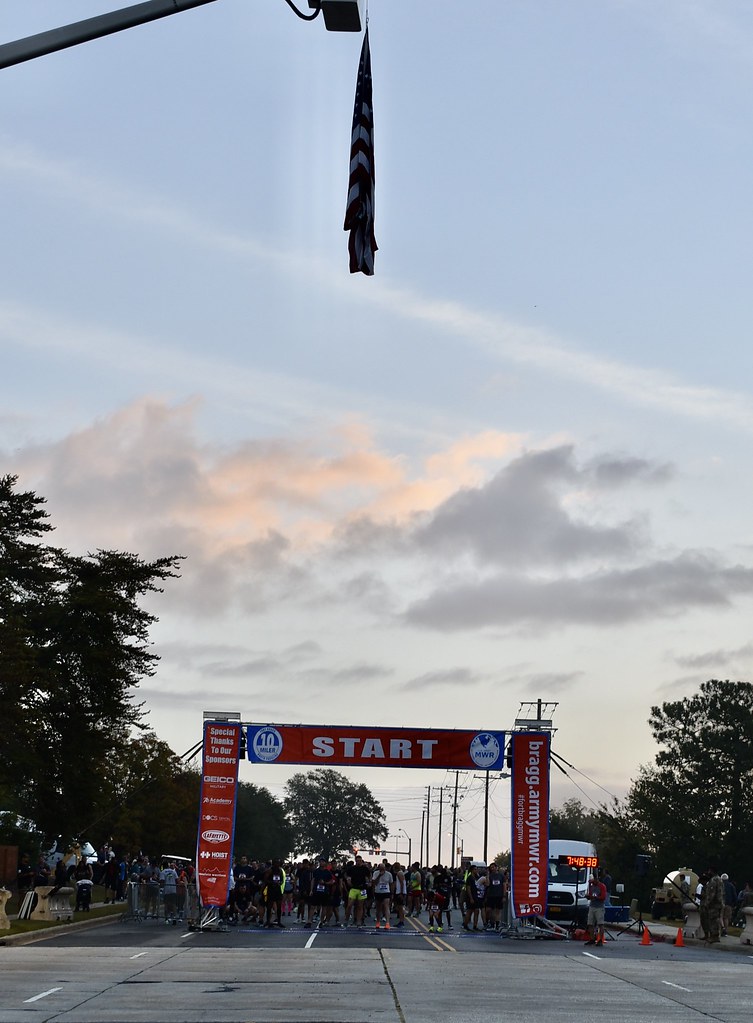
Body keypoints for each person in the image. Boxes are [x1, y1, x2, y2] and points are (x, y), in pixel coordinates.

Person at [345, 855, 371, 928]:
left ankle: (358, 922)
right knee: (349, 905)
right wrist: (348, 880)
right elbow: (346, 875)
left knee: (360, 906)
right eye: (357, 861)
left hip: (362, 889)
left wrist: (369, 882)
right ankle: (347, 919)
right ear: (355, 861)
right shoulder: (352, 868)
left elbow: (369, 876)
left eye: (360, 861)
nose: (359, 862)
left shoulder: (365, 869)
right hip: (353, 888)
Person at [584, 873, 607, 946]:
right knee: (590, 923)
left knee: (600, 924)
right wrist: (588, 896)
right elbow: (590, 894)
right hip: (592, 906)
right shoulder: (591, 886)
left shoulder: (602, 886)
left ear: (596, 879)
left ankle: (600, 940)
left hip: (599, 907)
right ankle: (592, 938)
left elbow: (603, 897)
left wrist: (596, 897)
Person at [703, 869, 724, 944]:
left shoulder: (713, 880)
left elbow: (712, 893)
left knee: (713, 920)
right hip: (719, 903)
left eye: (709, 871)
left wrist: (707, 903)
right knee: (716, 920)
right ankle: (715, 936)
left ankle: (714, 936)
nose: (708, 872)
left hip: (714, 904)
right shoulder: (720, 879)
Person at [372, 861, 394, 929]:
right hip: (378, 892)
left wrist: (392, 893)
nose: (382, 870)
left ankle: (387, 923)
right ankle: (378, 922)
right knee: (378, 908)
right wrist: (379, 875)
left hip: (386, 892)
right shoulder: (375, 873)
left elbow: (391, 883)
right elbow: (374, 883)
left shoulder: (389, 874)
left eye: (383, 868)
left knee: (386, 906)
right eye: (380, 868)